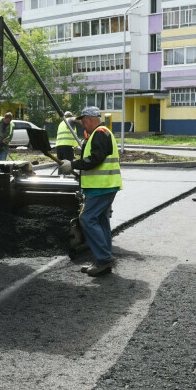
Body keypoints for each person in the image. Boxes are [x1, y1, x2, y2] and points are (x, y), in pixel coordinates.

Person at [60, 106, 122, 276]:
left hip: (102, 186)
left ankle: (103, 259)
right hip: (104, 185)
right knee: (101, 221)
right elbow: (97, 155)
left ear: (89, 119)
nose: (82, 125)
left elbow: (95, 159)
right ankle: (104, 259)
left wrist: (72, 164)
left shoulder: (100, 133)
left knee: (87, 218)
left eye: (83, 121)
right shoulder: (99, 133)